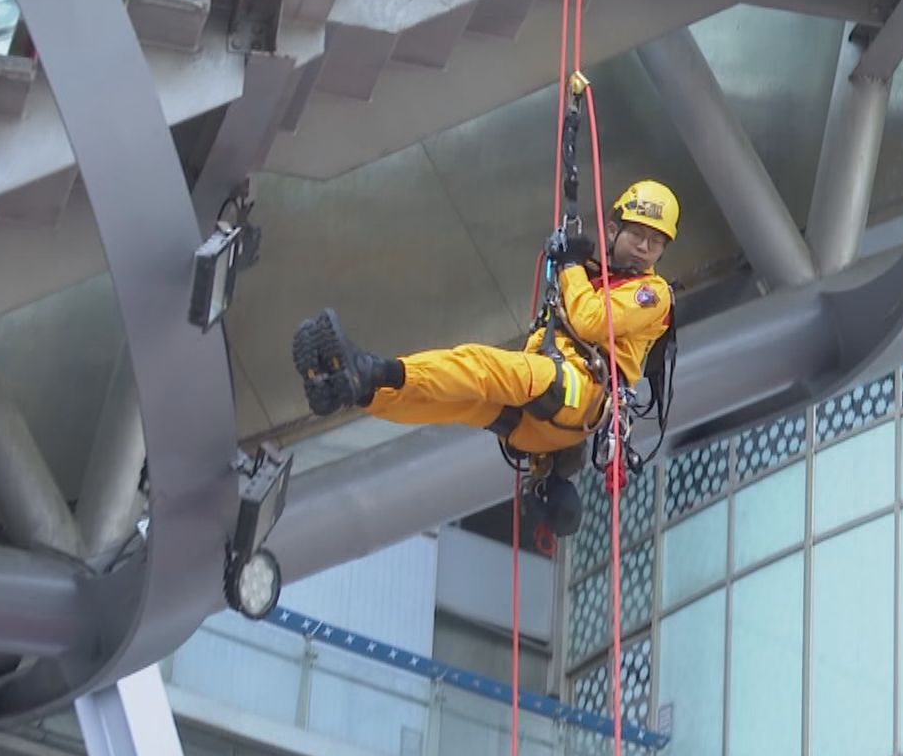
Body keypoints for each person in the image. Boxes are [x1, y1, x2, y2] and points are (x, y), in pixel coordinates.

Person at [291, 180, 680, 539]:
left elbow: (590, 320)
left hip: (579, 393)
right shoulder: (592, 275)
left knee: (478, 366)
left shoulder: (653, 293)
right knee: (452, 400)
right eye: (637, 235)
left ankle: (372, 369)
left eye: (655, 242)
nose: (644, 247)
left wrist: (571, 266)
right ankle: (360, 392)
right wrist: (572, 264)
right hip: (541, 420)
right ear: (612, 230)